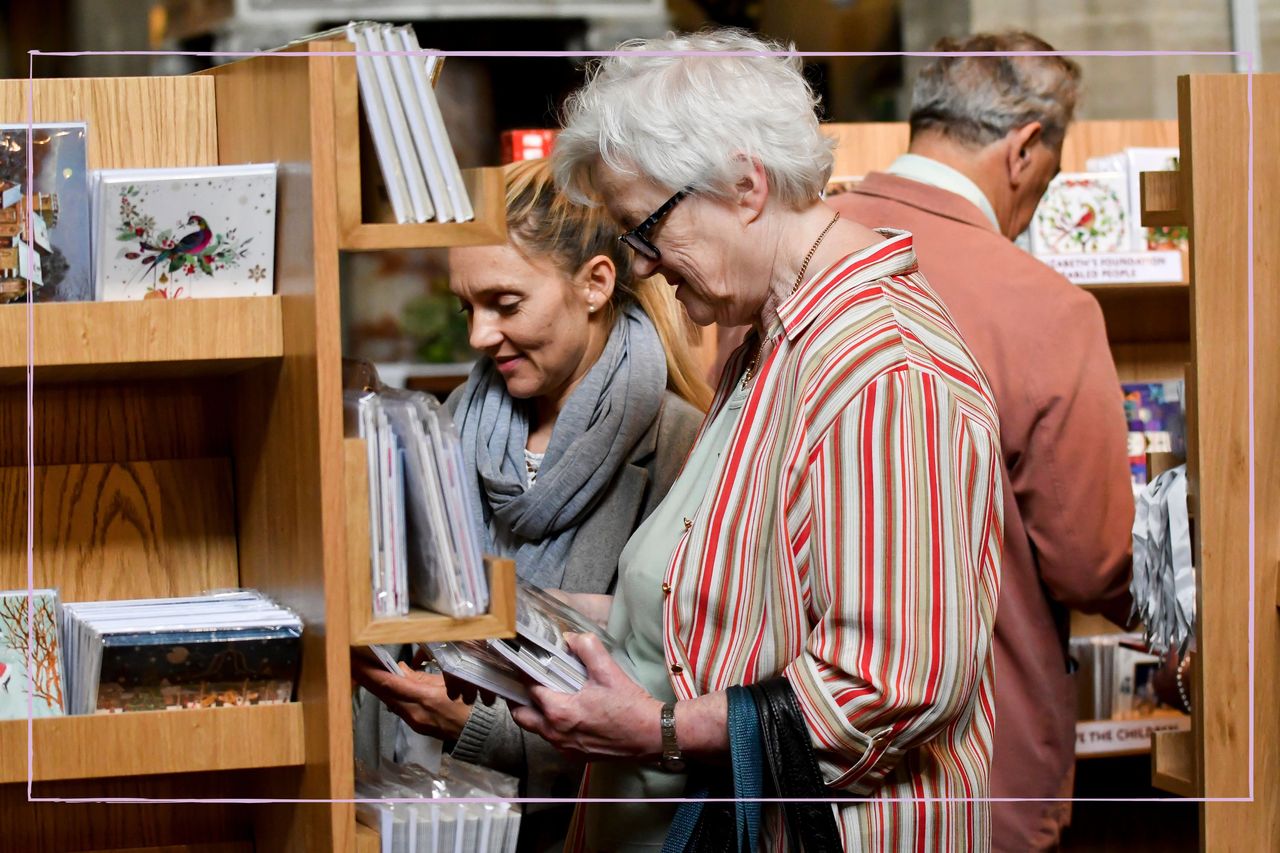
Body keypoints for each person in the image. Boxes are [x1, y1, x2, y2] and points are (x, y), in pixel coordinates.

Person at [507, 28, 1005, 851]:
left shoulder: (882, 370)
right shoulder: (770, 343)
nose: (640, 267)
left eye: (646, 229)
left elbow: (888, 686)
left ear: (744, 185)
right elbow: (729, 608)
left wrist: (659, 729)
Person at [828, 31, 1134, 852]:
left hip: (796, 752)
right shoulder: (1044, 307)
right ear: (1026, 149)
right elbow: (1091, 561)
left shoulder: (798, 251)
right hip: (972, 768)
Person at [351, 157, 709, 852]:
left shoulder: (681, 446)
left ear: (596, 284)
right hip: (430, 812)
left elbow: (676, 711)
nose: (479, 337)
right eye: (468, 307)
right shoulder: (448, 418)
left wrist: (472, 726)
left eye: (505, 303)